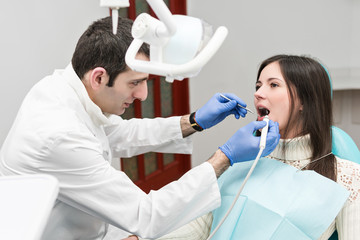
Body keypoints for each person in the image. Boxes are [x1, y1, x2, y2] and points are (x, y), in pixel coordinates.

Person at [0, 16, 280, 240]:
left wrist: (193, 121)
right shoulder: (58, 132)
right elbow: (146, 215)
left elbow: (119, 133)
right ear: (99, 77)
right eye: (135, 83)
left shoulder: (66, 88)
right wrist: (225, 157)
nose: (143, 95)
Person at [144, 54, 360, 240]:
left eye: (273, 85)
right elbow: (200, 226)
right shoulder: (240, 160)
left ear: (304, 100)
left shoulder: (346, 177)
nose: (258, 93)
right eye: (258, 86)